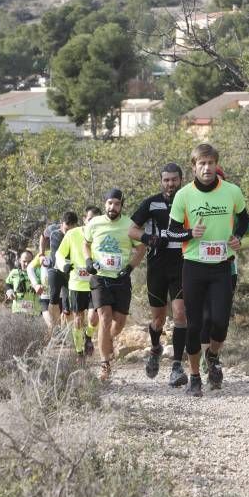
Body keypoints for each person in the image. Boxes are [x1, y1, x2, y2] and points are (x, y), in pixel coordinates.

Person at [168, 144, 249, 397]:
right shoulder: (184, 195)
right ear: (194, 167)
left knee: (220, 323)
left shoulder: (232, 191)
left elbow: (245, 219)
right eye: (201, 164)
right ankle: (194, 377)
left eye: (211, 163)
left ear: (216, 165)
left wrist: (237, 236)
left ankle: (212, 356)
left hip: (221, 267)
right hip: (193, 266)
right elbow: (172, 231)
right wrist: (190, 233)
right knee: (193, 326)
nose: (207, 168)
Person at [129, 163, 189, 387]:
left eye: (174, 179)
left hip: (182, 264)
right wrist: (150, 239)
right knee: (158, 319)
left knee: (180, 314)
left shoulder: (188, 199)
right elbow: (132, 229)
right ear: (161, 181)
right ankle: (155, 348)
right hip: (157, 266)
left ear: (181, 179)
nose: (170, 184)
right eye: (166, 180)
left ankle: (176, 366)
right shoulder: (151, 202)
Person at [198, 166, 249, 375]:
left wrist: (239, 242)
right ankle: (209, 363)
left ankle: (213, 354)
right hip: (198, 268)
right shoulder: (197, 205)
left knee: (219, 319)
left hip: (227, 270)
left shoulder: (233, 208)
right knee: (204, 318)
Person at [83, 189, 146, 381]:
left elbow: (142, 247)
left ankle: (106, 340)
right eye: (110, 203)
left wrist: (130, 267)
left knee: (118, 325)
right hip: (100, 277)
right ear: (105, 204)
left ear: (121, 205)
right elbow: (86, 243)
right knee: (104, 317)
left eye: (117, 204)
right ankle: (105, 364)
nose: (113, 207)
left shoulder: (129, 225)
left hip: (121, 278)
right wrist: (88, 261)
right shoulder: (94, 223)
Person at [56, 206, 101, 359]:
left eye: (96, 221)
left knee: (93, 317)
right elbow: (59, 254)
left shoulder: (102, 234)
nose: (93, 223)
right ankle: (79, 352)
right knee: (78, 318)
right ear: (84, 219)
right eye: (90, 220)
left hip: (95, 282)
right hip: (76, 283)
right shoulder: (72, 234)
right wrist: (64, 266)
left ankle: (88, 336)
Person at [40, 212, 79, 329]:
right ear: (61, 223)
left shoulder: (78, 233)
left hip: (69, 272)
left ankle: (67, 332)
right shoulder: (52, 230)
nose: (68, 233)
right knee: (54, 298)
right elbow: (43, 236)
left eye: (71, 230)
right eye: (66, 229)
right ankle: (55, 328)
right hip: (54, 269)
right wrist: (41, 254)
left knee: (69, 304)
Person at [5, 250, 41, 315]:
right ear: (19, 261)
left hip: (35, 312)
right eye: (24, 261)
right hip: (18, 311)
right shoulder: (14, 272)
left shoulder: (38, 272)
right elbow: (8, 284)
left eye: (29, 262)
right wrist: (9, 291)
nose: (26, 264)